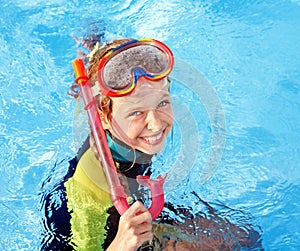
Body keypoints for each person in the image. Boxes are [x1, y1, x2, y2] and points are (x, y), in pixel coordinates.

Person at [41, 37, 263, 250]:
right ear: (105, 118)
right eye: (137, 112)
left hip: (132, 200)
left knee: (243, 235)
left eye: (162, 102)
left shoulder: (115, 118)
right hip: (96, 232)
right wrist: (122, 245)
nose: (156, 124)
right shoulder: (92, 182)